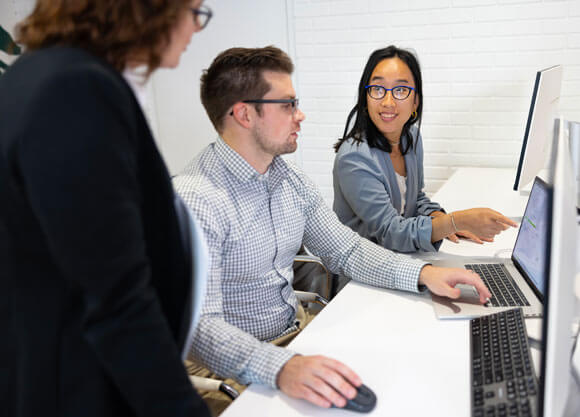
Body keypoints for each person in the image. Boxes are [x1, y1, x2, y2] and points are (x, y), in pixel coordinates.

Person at [174, 46, 492, 413]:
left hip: (295, 335)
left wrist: (425, 273)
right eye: (288, 105)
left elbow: (347, 250)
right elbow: (198, 326)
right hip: (225, 371)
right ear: (245, 114)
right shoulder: (195, 201)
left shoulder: (289, 180)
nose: (301, 115)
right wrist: (283, 367)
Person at [0, 1, 213, 416]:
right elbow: (115, 296)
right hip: (81, 386)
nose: (196, 27)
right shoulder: (77, 90)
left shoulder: (34, 74)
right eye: (193, 10)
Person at [333, 45, 518, 253]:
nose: (388, 102)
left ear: (415, 102)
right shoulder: (354, 157)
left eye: (401, 90)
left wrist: (441, 219)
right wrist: (456, 222)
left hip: (398, 260)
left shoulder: (410, 137)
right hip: (359, 274)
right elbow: (390, 232)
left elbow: (415, 200)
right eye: (377, 89)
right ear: (365, 98)